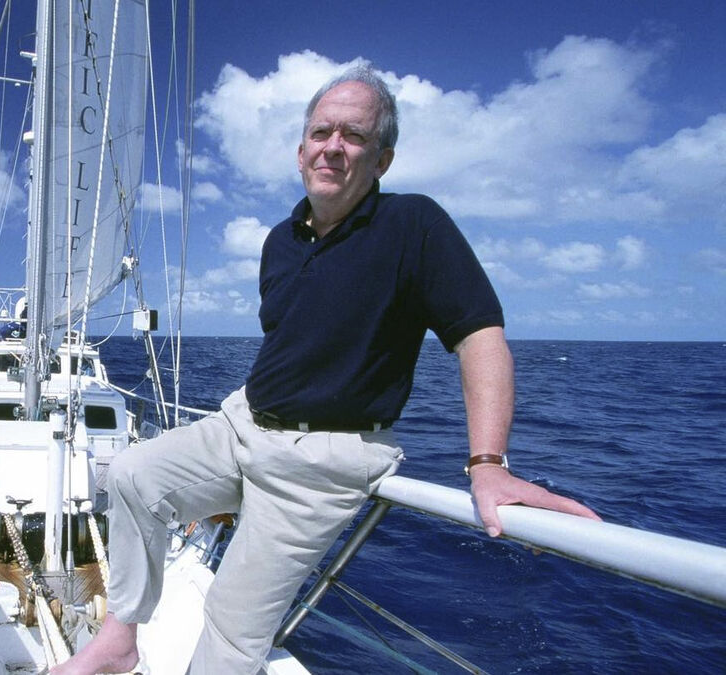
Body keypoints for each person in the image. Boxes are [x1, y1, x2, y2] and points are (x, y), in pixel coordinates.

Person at [53, 65, 601, 675]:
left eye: (354, 136)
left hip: (319, 463)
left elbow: (480, 338)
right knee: (133, 474)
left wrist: (488, 464)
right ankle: (118, 641)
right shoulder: (279, 241)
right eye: (321, 132)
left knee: (231, 625)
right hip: (240, 424)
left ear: (381, 160)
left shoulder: (414, 224)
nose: (333, 146)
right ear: (301, 152)